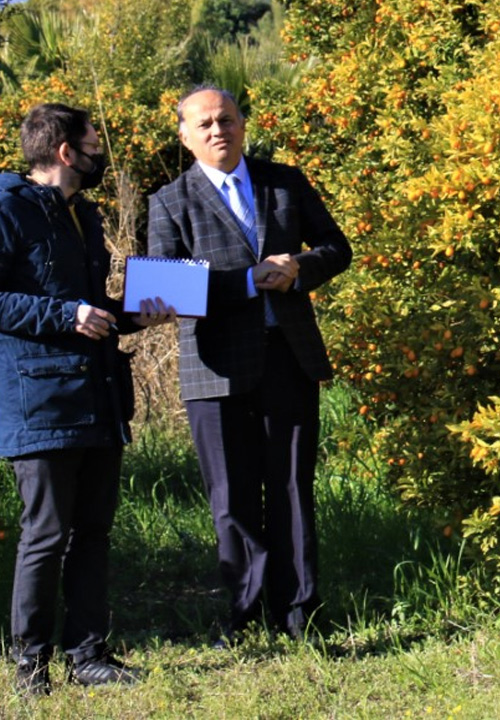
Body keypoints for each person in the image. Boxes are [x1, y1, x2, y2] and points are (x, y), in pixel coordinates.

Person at [0, 102, 177, 695]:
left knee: (93, 532)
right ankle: (32, 666)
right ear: (64, 152)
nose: (101, 152)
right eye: (94, 143)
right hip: (39, 402)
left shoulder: (84, 214)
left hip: (96, 395)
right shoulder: (2, 210)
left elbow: (89, 307)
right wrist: (65, 314)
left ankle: (89, 655)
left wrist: (135, 315)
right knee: (46, 534)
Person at [146, 86, 351, 643]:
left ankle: (300, 613)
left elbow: (338, 247)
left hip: (289, 356)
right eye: (205, 124)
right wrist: (245, 281)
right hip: (213, 369)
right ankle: (244, 615)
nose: (219, 131)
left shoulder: (284, 180)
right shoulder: (169, 201)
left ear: (244, 125)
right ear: (185, 137)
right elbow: (166, 289)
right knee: (231, 498)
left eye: (228, 120)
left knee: (290, 486)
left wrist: (300, 265)